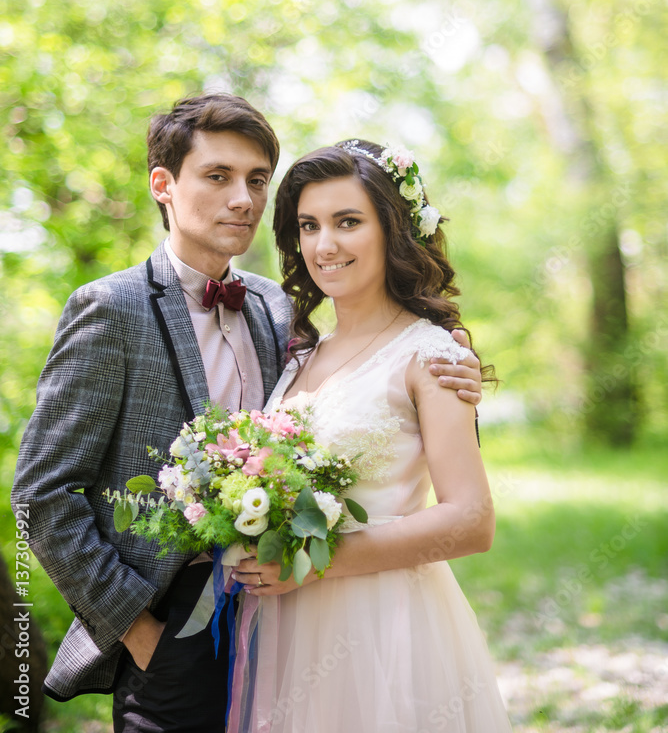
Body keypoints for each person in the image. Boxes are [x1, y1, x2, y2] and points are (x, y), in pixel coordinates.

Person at [11, 96, 483, 733]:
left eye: (257, 181)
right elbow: (42, 493)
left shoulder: (280, 309)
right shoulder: (109, 309)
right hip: (173, 624)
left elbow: (377, 384)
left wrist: (454, 359)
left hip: (293, 619)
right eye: (218, 176)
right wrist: (138, 629)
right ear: (164, 186)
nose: (243, 199)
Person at [234, 139, 512, 732]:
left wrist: (313, 563)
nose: (324, 244)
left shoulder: (431, 355)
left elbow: (472, 520)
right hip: (287, 629)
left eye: (348, 222)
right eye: (308, 225)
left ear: (394, 231)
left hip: (382, 627)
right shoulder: (300, 355)